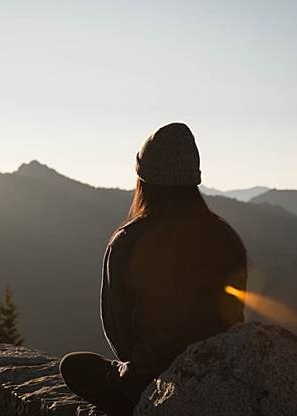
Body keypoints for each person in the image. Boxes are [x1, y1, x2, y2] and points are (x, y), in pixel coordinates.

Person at [59, 122, 247, 415]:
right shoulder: (225, 238)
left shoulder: (128, 241)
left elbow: (118, 330)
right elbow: (234, 318)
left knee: (75, 366)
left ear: (144, 180)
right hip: (217, 375)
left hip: (151, 383)